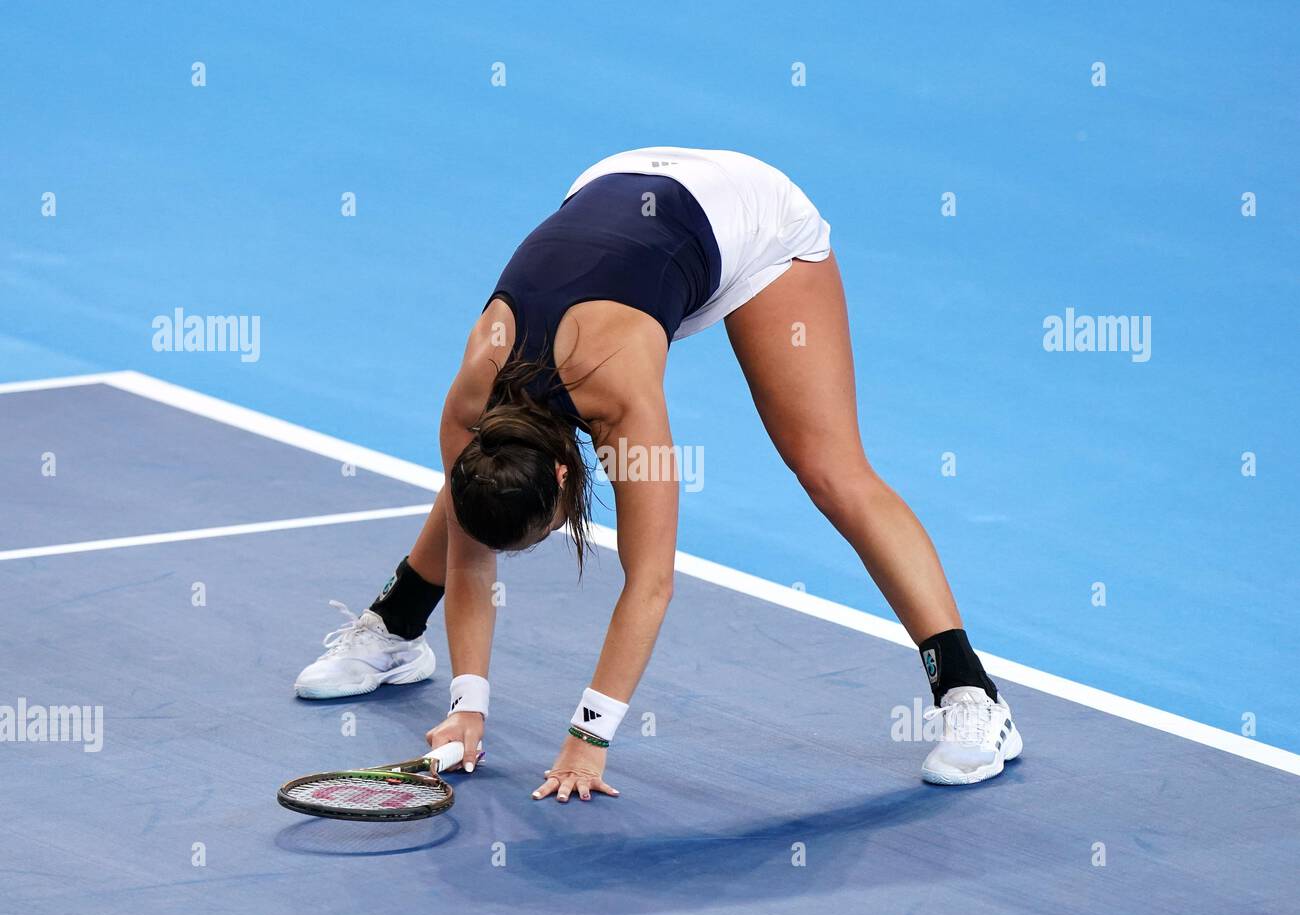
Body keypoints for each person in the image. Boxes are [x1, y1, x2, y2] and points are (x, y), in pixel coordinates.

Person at [293, 146, 1022, 797]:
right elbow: (472, 547)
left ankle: (972, 695)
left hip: (751, 220)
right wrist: (467, 708)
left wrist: (589, 736)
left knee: (828, 466)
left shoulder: (621, 402)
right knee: (482, 492)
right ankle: (396, 626)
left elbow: (651, 580)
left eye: (549, 527)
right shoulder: (469, 404)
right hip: (617, 182)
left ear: (568, 469)